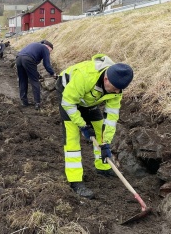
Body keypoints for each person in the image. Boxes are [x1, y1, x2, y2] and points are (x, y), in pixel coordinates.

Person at [55, 54, 133, 199]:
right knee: (72, 136)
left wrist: (106, 143)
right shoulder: (86, 76)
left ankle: (102, 167)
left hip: (89, 99)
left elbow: (111, 118)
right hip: (68, 95)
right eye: (115, 88)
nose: (116, 92)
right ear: (106, 79)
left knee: (100, 127)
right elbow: (68, 103)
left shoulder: (117, 88)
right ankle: (75, 181)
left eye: (120, 90)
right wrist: (83, 126)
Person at [16, 40, 56, 110]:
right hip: (28, 59)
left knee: (22, 80)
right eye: (50, 51)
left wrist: (37, 74)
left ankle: (24, 102)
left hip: (18, 58)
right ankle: (37, 103)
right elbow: (46, 64)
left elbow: (31, 67)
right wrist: (53, 73)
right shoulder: (45, 48)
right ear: (48, 47)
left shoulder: (34, 44)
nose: (49, 52)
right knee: (34, 81)